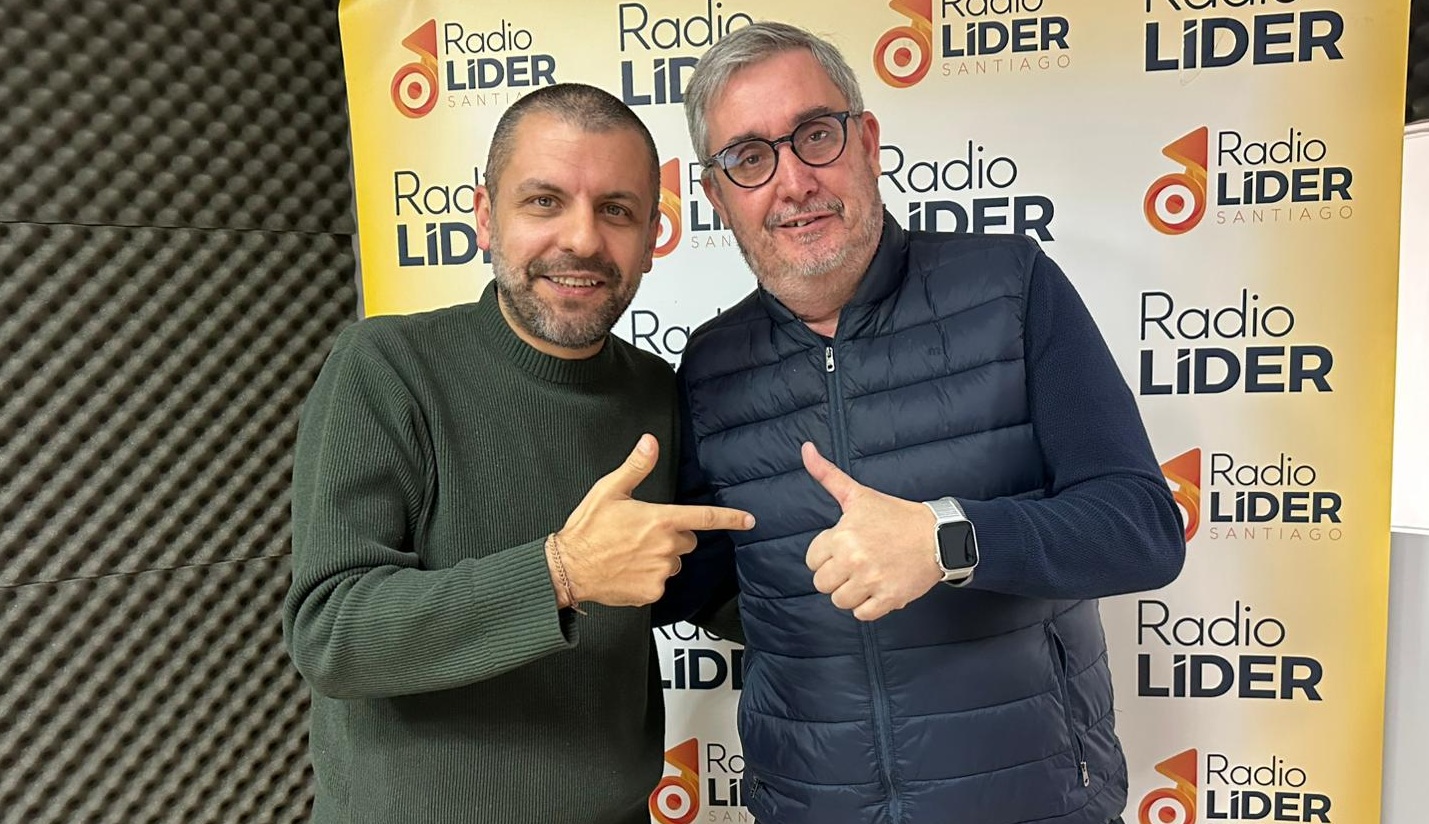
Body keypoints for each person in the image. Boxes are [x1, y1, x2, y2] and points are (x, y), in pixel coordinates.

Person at [671, 22, 1187, 824]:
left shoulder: (1011, 287)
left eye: (815, 135)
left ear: (866, 141)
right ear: (716, 196)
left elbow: (1142, 530)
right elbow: (711, 581)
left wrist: (949, 539)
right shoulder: (710, 366)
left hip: (1033, 804)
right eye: (747, 157)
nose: (793, 181)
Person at [282, 82, 754, 824]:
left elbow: (705, 587)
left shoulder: (658, 394)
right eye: (543, 201)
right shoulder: (388, 366)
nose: (582, 240)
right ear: (484, 217)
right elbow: (333, 634)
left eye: (616, 210)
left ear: (651, 240)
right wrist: (561, 572)